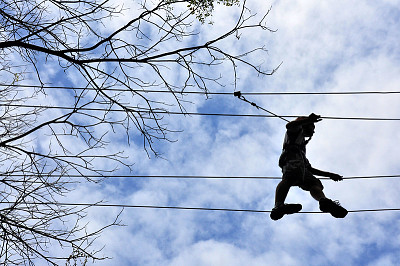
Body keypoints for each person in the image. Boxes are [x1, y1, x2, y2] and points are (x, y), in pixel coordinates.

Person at [270, 113, 348, 220]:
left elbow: (310, 169)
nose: (313, 131)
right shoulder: (296, 131)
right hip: (291, 159)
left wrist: (330, 175)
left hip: (301, 166)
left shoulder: (302, 147)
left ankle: (323, 201)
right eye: (312, 127)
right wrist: (308, 120)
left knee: (314, 183)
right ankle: (279, 205)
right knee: (289, 178)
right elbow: (289, 126)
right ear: (305, 125)